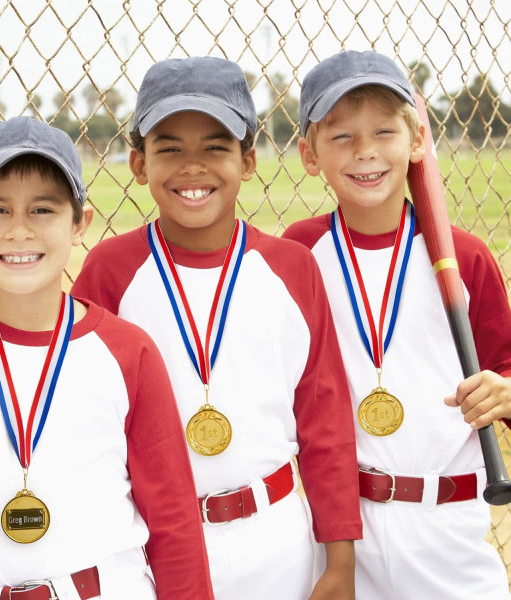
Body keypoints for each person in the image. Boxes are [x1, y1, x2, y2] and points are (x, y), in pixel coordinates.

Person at [71, 56, 362, 600]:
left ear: (248, 160)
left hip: (277, 537)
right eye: (169, 148)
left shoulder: (292, 268)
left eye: (215, 146)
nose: (192, 166)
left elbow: (325, 421)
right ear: (138, 163)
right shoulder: (109, 271)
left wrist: (340, 560)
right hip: (156, 544)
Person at [0, 116, 214, 600]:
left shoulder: (125, 351)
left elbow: (173, 519)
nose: (19, 231)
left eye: (43, 209)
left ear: (79, 224)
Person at [283, 49, 511, 599]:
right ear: (309, 154)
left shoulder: (462, 256)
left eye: (384, 131)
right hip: (341, 529)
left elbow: (504, 365)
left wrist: (505, 393)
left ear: (415, 143)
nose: (365, 152)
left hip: (448, 525)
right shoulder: (299, 253)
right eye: (340, 136)